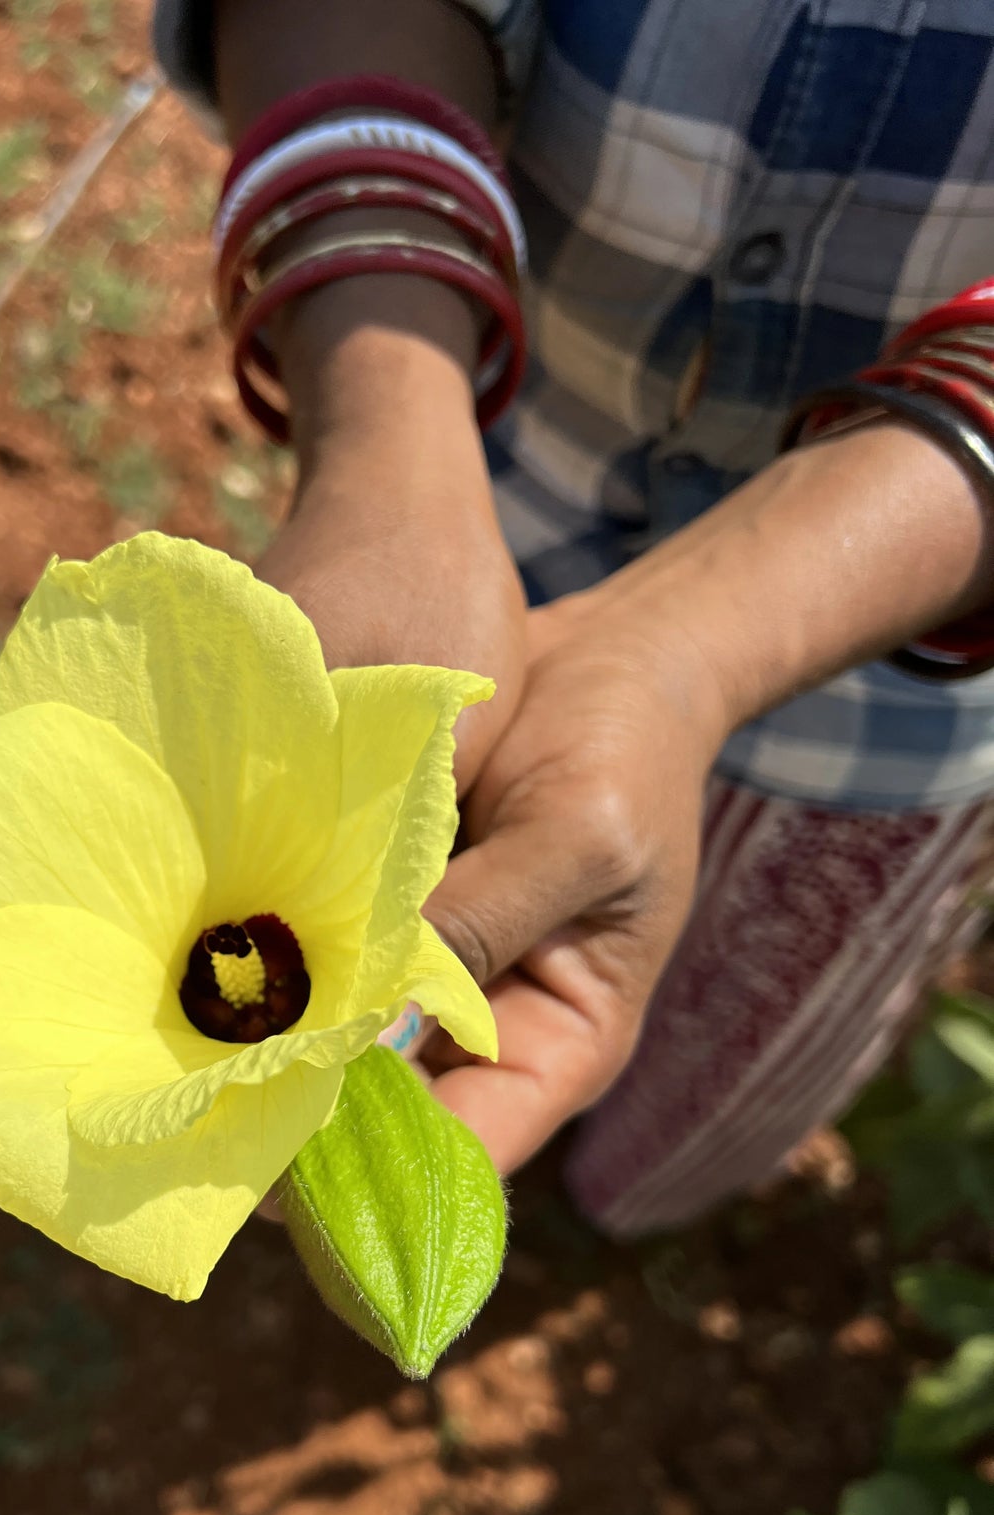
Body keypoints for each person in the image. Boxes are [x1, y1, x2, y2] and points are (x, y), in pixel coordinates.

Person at [150, 0, 994, 1234]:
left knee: (726, 1046)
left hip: (891, 692)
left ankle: (620, 1208)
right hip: (479, 497)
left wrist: (687, 651)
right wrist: (386, 448)